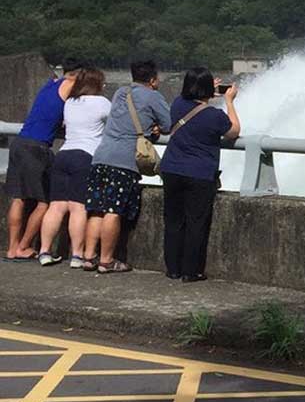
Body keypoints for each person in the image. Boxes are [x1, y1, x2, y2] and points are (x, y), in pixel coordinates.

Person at [82, 60, 171, 275]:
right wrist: (154, 128)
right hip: (124, 161)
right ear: (152, 79)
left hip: (101, 156)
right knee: (113, 210)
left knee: (97, 210)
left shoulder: (121, 92)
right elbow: (168, 125)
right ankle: (106, 261)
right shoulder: (153, 96)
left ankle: (89, 257)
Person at [159, 68, 240, 282]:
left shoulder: (177, 104)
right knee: (196, 222)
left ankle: (173, 269)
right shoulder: (214, 115)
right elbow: (234, 131)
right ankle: (191, 271)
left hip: (171, 169)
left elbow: (192, 102)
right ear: (209, 91)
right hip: (199, 173)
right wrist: (229, 101)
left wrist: (205, 90)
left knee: (174, 221)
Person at [4, 59, 81, 261]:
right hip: (38, 147)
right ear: (79, 74)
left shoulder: (50, 84)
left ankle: (11, 248)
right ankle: (24, 246)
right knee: (43, 202)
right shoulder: (70, 85)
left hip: (20, 142)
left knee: (18, 198)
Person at [38, 67, 110, 267]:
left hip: (63, 155)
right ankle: (77, 255)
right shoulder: (102, 103)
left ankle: (44, 251)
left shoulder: (70, 102)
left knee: (56, 206)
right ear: (97, 84)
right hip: (85, 156)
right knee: (78, 208)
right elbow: (114, 123)